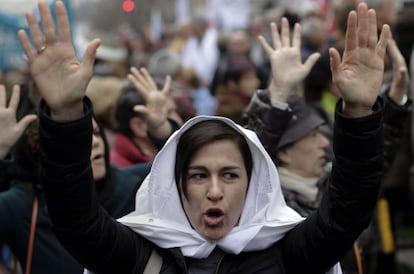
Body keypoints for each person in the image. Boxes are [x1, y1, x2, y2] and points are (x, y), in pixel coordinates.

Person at [19, 1, 388, 273]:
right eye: (198, 175)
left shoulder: (288, 252)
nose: (215, 191)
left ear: (252, 182)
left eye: (230, 175)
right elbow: (75, 220)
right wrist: (66, 113)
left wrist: (358, 111)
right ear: (176, 185)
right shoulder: (140, 255)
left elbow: (346, 213)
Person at [243, 14, 412, 274]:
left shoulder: (324, 182)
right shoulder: (273, 211)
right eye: (312, 136)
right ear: (284, 151)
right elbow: (247, 163)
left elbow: (367, 168)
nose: (324, 142)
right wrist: (278, 91)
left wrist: (372, 107)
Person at [0, 67, 175, 273]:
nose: (94, 143)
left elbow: (182, 166)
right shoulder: (24, 204)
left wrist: (162, 130)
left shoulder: (134, 185)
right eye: (81, 139)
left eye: (97, 133)